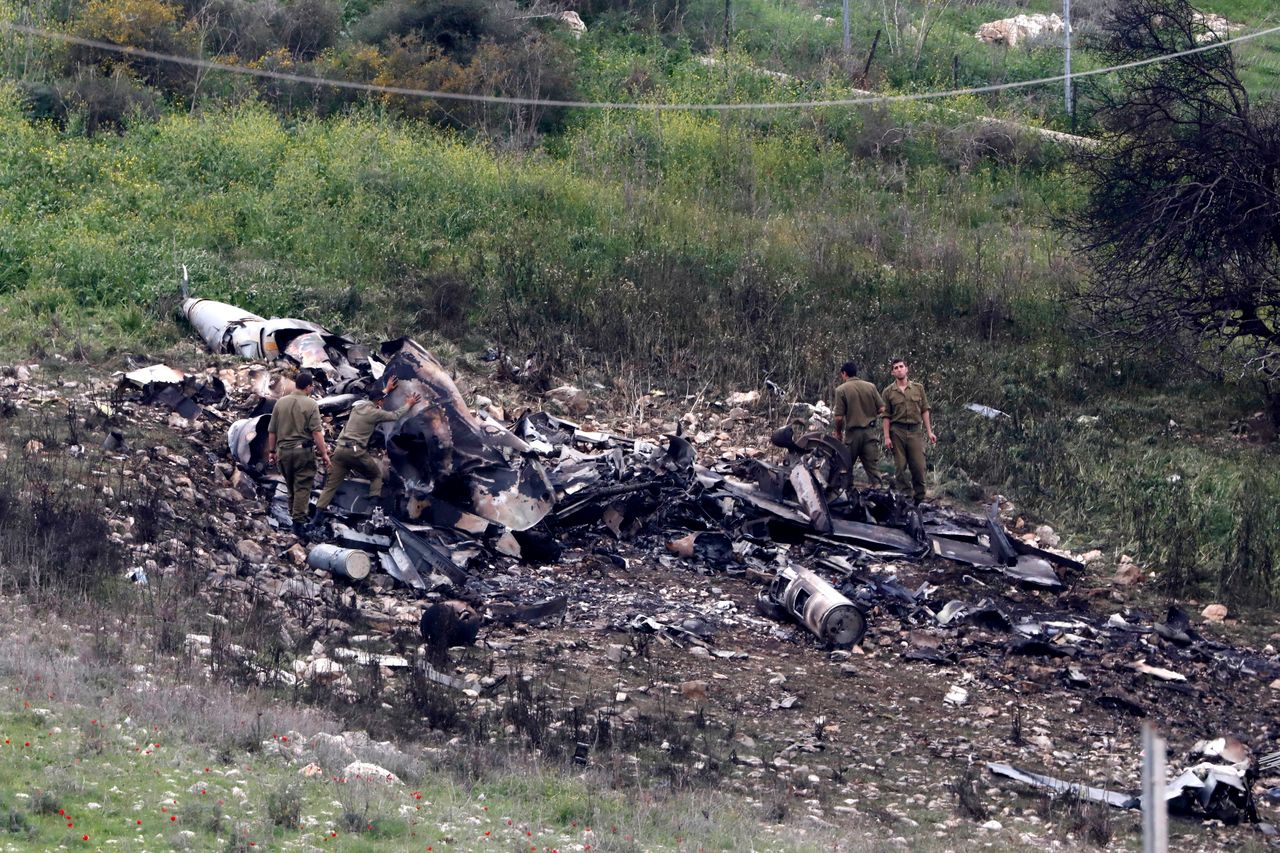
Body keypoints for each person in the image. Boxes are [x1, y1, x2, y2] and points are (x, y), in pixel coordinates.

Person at [313, 376, 421, 518]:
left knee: (330, 487)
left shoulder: (358, 407)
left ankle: (315, 520)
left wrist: (386, 390)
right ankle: (369, 510)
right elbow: (395, 415)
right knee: (376, 475)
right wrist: (409, 404)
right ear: (380, 402)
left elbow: (374, 399)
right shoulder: (375, 413)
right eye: (382, 402)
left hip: (339, 451)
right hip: (355, 451)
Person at [267, 370, 331, 537]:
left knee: (291, 487)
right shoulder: (311, 405)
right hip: (302, 452)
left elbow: (272, 431)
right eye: (312, 386)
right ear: (308, 387)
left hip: (283, 453)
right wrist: (324, 453)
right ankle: (298, 525)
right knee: (302, 487)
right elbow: (317, 433)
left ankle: (293, 518)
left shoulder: (281, 403)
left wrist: (272, 452)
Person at [881, 358, 937, 504]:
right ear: (893, 372)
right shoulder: (888, 392)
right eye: (896, 368)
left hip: (915, 431)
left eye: (901, 366)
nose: (899, 369)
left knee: (919, 467)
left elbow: (925, 410)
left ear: (907, 369)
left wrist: (929, 431)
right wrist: (887, 437)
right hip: (897, 431)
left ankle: (919, 498)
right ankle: (905, 497)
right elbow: (886, 416)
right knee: (900, 467)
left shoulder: (918, 388)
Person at [832, 360, 885, 488]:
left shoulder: (841, 390)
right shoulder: (870, 386)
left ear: (844, 374)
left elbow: (839, 418)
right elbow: (882, 409)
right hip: (870, 433)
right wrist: (869, 416)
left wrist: (838, 433)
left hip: (852, 435)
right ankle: (879, 495)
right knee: (873, 469)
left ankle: (846, 494)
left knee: (845, 466)